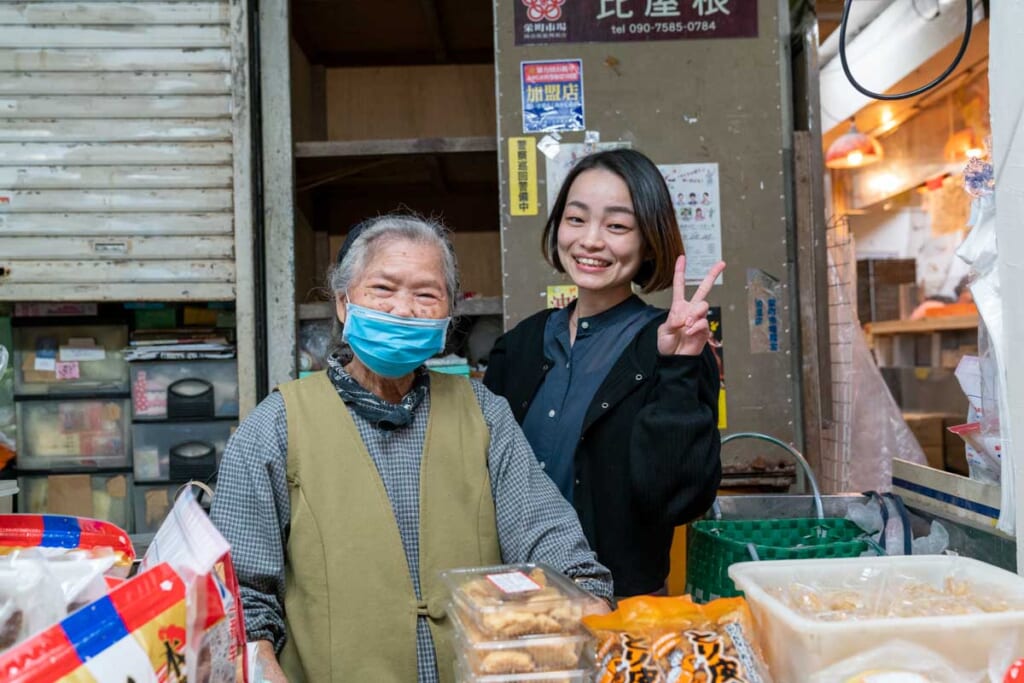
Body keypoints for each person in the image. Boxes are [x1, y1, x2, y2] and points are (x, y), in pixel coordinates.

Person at [211, 215, 612, 683]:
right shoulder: (277, 424)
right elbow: (240, 597)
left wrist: (584, 593)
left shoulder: (484, 413)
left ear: (447, 316)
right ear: (343, 303)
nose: (403, 309)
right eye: (383, 289)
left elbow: (544, 531)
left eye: (426, 294)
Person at [484, 149, 724, 597]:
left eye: (616, 226)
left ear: (649, 240)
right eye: (576, 219)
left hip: (624, 606)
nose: (590, 240)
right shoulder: (517, 347)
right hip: (516, 599)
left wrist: (677, 368)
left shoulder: (675, 345)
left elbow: (677, 500)